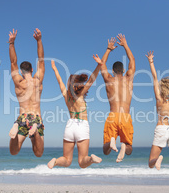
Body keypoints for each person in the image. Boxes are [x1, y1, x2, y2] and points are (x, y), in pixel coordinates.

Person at [47, 56, 103, 169]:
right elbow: (91, 80)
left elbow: (59, 81)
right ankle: (91, 159)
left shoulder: (66, 95)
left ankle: (56, 161)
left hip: (70, 126)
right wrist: (99, 65)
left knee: (67, 160)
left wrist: (54, 69)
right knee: (82, 162)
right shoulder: (81, 95)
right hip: (82, 126)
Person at [7, 28, 45, 157]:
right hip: (36, 116)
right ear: (32, 69)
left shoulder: (19, 82)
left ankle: (16, 126)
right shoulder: (37, 81)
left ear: (21, 72)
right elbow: (41, 59)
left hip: (22, 117)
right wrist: (39, 40)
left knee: (14, 151)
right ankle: (35, 130)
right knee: (38, 153)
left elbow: (13, 62)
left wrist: (11, 43)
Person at [100, 34, 135, 163]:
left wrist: (108, 49)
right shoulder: (128, 78)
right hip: (125, 116)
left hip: (112, 115)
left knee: (105, 150)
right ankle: (123, 146)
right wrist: (125, 44)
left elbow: (101, 64)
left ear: (113, 71)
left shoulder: (109, 79)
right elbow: (132, 60)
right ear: (124, 70)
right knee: (129, 148)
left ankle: (112, 142)